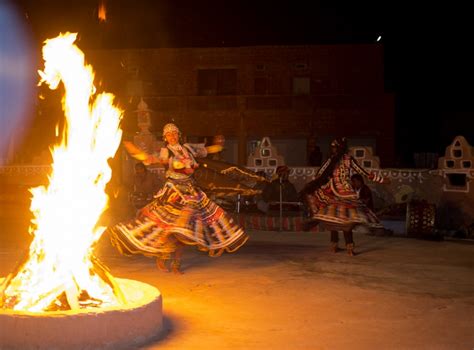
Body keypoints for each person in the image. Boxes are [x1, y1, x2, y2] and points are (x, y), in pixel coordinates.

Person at [109, 123, 249, 274]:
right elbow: (150, 159)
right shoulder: (165, 151)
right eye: (169, 134)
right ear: (165, 138)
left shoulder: (188, 148)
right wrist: (134, 151)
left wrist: (218, 145)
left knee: (184, 231)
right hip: (173, 192)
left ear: (179, 135)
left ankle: (176, 262)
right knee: (169, 227)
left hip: (190, 192)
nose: (172, 136)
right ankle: (163, 254)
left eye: (174, 133)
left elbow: (207, 150)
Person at [301, 137, 388, 256]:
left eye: (335, 147)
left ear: (340, 148)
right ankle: (340, 246)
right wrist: (313, 184)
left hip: (341, 192)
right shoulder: (335, 159)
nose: (333, 150)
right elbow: (320, 173)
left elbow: (362, 172)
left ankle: (344, 246)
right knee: (337, 218)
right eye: (332, 148)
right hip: (337, 191)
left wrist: (380, 179)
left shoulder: (344, 159)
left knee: (341, 219)